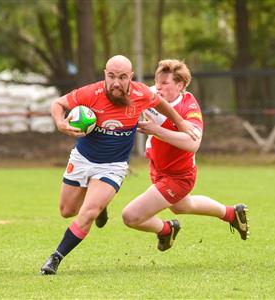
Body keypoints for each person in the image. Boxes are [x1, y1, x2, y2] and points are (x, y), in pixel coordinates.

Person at [40, 55, 199, 275]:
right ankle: (102, 205)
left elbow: (160, 103)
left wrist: (180, 122)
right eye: (112, 76)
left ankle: (55, 259)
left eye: (122, 77)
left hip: (112, 166)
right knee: (67, 211)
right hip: (82, 158)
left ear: (130, 78)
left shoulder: (140, 93)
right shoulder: (91, 93)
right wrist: (59, 122)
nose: (116, 83)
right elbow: (58, 103)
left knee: (87, 214)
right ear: (105, 74)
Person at [121, 59, 250, 252]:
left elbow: (193, 143)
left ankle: (166, 229)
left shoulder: (189, 107)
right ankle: (232, 213)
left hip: (178, 177)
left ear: (180, 85)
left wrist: (157, 130)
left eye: (165, 83)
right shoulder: (152, 93)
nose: (159, 87)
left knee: (130, 216)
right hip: (158, 168)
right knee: (182, 206)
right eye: (158, 81)